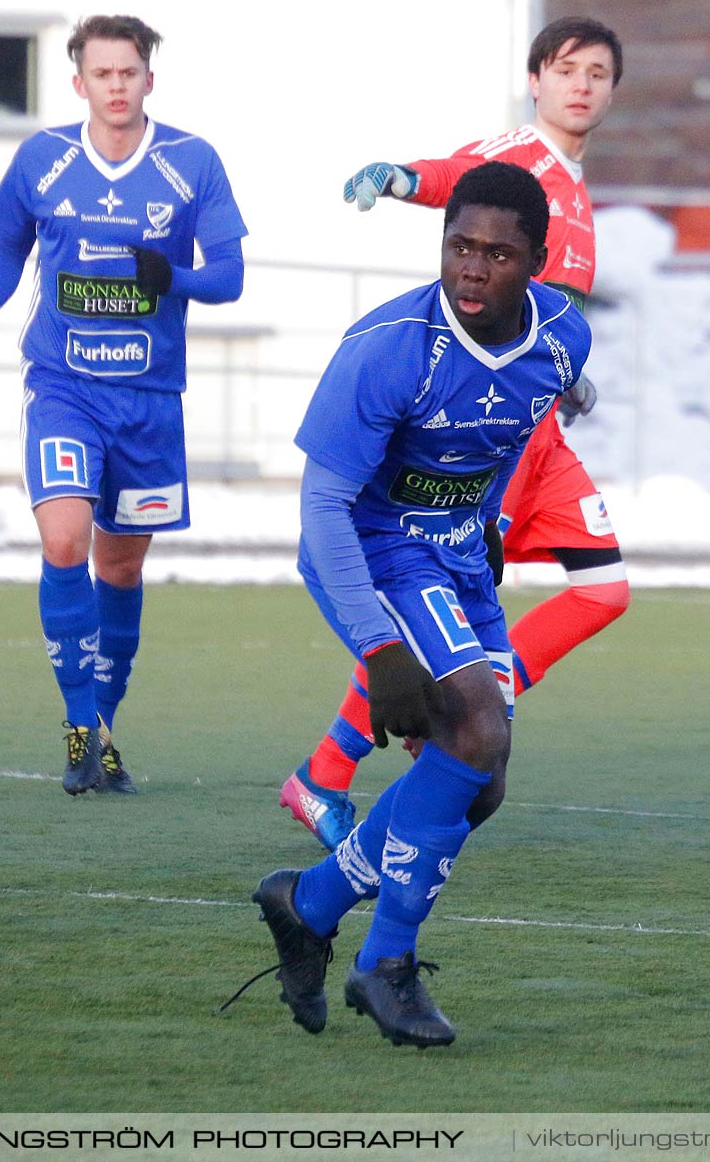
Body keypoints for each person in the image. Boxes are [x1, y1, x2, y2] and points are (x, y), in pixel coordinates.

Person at [250, 162, 590, 1047]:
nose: (474, 269)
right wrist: (378, 648)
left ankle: (310, 900)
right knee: (474, 732)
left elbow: (512, 423)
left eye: (498, 255)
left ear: (537, 263)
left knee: (482, 787)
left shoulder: (563, 338)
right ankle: (385, 964)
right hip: (374, 554)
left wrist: (484, 524)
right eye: (459, 247)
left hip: (458, 564)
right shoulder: (389, 347)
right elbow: (323, 506)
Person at [281, 17, 628, 849]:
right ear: (536, 78)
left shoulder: (572, 187)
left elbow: (550, 317)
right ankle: (346, 764)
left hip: (529, 412)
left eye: (599, 73)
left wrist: (564, 376)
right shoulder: (523, 159)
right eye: (566, 69)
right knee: (457, 692)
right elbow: (459, 178)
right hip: (472, 420)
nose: (581, 85)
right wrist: (400, 177)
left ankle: (374, 752)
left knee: (601, 590)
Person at [0, 15, 246, 795]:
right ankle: (79, 720)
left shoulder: (191, 163)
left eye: (129, 72)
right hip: (64, 389)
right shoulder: (43, 160)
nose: (116, 85)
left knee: (119, 565)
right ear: (78, 82)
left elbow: (230, 277)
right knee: (64, 541)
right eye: (102, 73)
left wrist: (170, 279)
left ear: (150, 78)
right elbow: (9, 243)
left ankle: (105, 731)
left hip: (150, 402)